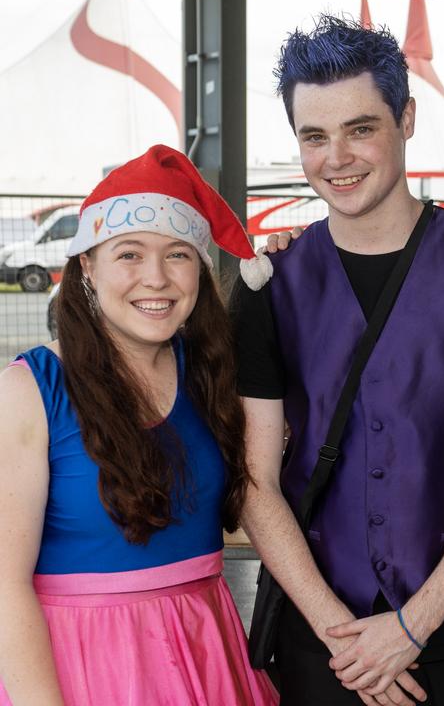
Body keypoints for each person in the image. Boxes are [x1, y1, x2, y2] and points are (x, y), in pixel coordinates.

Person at [231, 15, 444, 706]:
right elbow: (255, 481)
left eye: (361, 128)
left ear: (405, 119)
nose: (338, 157)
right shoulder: (271, 282)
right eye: (314, 137)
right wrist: (343, 636)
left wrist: (412, 627)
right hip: (321, 636)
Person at [0, 145, 278, 705]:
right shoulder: (29, 390)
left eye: (178, 255)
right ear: (87, 264)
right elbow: (4, 587)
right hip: (83, 671)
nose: (156, 278)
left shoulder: (209, 381)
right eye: (129, 254)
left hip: (207, 656)